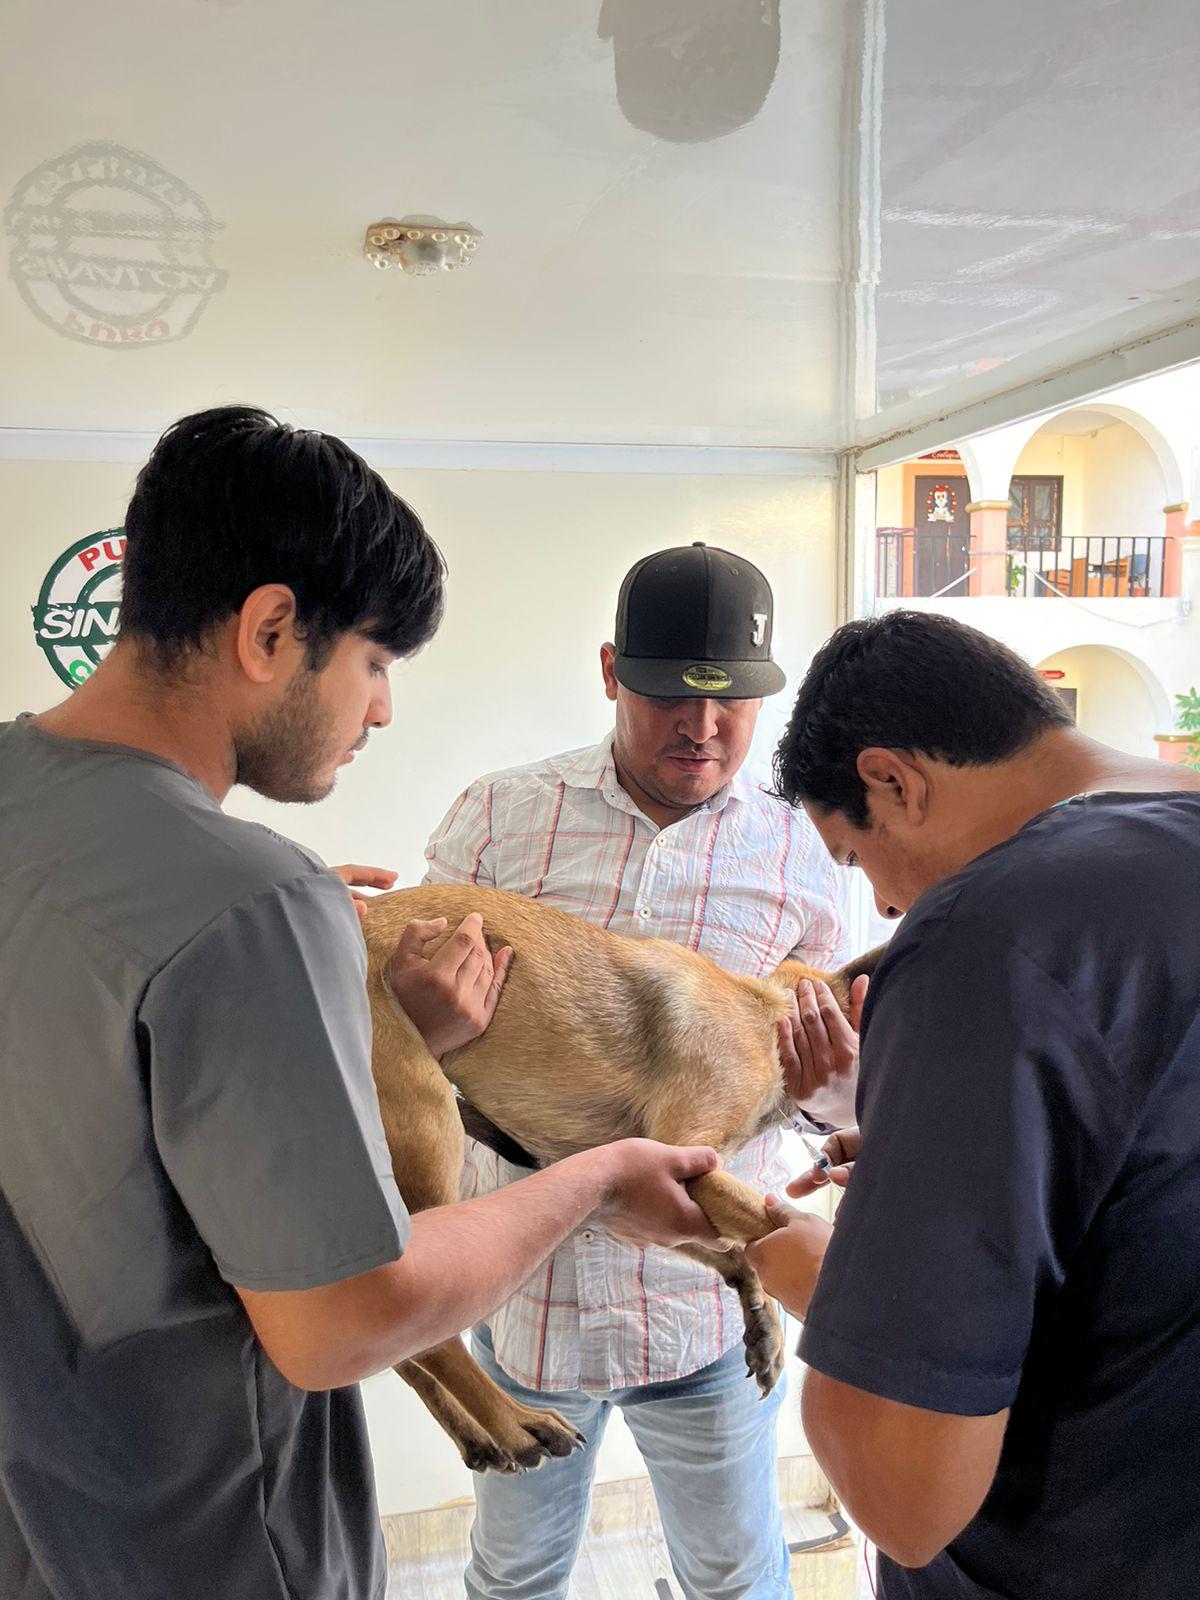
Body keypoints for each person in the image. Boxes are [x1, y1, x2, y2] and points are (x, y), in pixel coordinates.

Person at [0, 407, 725, 1600]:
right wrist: (592, 1176)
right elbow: (340, 1320)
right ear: (272, 629)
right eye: (376, 663)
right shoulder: (251, 901)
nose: (381, 710)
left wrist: (345, 1023)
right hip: (210, 1547)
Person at [389, 541, 863, 1600]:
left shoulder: (806, 852)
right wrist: (424, 1018)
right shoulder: (500, 815)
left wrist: (842, 1092)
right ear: (612, 672)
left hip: (703, 1321)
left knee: (739, 1573)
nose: (701, 728)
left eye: (731, 702)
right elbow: (414, 1009)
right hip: (527, 1291)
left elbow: (833, 1091)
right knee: (513, 1573)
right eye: (665, 698)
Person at [747, 610, 1200, 1600]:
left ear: (894, 782)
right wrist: (934, 1162)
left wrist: (838, 1278)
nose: (881, 907)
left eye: (855, 856)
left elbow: (905, 1488)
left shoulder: (988, 931)